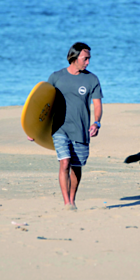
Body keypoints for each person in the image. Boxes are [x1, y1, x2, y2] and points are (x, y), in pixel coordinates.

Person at [47, 42, 103, 210]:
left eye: (89, 59)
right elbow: (44, 104)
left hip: (81, 129)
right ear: (74, 57)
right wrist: (34, 127)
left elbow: (98, 105)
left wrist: (97, 122)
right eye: (85, 59)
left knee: (76, 167)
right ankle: (66, 203)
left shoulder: (91, 79)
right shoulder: (56, 77)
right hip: (59, 128)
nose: (88, 62)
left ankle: (72, 199)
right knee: (65, 162)